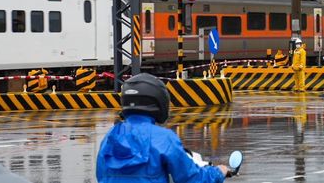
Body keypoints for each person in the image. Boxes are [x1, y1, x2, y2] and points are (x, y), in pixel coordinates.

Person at [96, 73, 229, 183]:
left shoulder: (110, 136)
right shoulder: (163, 138)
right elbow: (191, 178)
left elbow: (101, 176)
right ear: (158, 101)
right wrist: (218, 172)